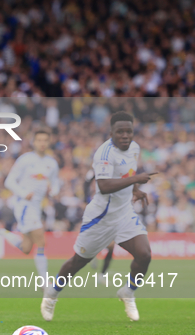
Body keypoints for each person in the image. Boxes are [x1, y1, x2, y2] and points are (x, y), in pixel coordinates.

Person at [41, 112, 156, 321]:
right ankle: (51, 293)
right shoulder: (104, 154)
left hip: (124, 213)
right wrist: (136, 179)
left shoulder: (135, 148)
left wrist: (136, 188)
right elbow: (103, 186)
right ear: (111, 132)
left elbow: (129, 172)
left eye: (128, 131)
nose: (125, 135)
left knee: (144, 254)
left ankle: (128, 292)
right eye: (120, 131)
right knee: (78, 262)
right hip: (100, 218)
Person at [0, 129, 60, 287]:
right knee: (41, 240)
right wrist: (23, 192)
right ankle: (44, 281)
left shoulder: (51, 163)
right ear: (33, 142)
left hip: (37, 206)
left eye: (45, 140)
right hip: (24, 205)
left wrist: (53, 191)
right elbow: (9, 182)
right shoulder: (25, 160)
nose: (42, 143)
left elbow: (55, 183)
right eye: (39, 140)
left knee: (26, 248)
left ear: (49, 142)